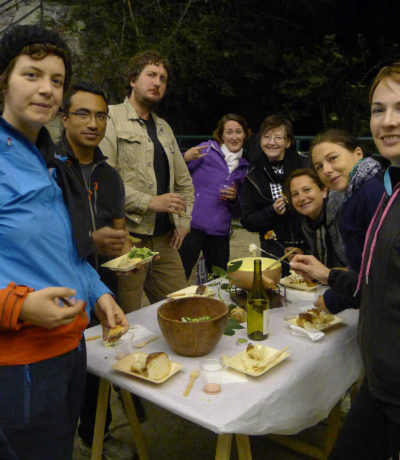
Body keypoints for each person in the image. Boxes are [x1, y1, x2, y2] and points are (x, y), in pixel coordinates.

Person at [0, 25, 128, 460]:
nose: (47, 90)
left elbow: (64, 252)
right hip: (20, 363)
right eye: (32, 75)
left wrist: (100, 292)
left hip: (72, 349)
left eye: (56, 80)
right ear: (4, 79)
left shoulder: (49, 159)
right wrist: (17, 307)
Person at [290, 62, 400, 459]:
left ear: (356, 153)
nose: (388, 121)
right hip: (381, 378)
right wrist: (329, 279)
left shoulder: (370, 193)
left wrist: (333, 288)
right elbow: (376, 280)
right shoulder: (386, 186)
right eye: (378, 109)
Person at [57, 81, 138, 454]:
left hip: (103, 284)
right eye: (84, 113)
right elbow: (43, 240)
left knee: (100, 364)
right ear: (64, 118)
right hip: (58, 289)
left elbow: (118, 235)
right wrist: (92, 239)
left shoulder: (110, 176)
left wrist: (128, 253)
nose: (94, 122)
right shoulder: (50, 169)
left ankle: (95, 438)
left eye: (101, 115)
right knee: (64, 374)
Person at [100, 50, 194, 311]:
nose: (157, 82)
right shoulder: (109, 117)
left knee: (184, 309)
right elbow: (105, 181)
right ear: (132, 80)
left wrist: (184, 222)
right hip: (128, 239)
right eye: (151, 75)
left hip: (165, 240)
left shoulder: (164, 127)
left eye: (163, 78)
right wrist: (149, 201)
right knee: (127, 318)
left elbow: (185, 182)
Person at [179, 113, 249, 279]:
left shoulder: (244, 167)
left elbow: (240, 209)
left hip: (220, 232)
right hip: (192, 226)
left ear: (245, 134)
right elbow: (177, 174)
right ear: (221, 135)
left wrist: (233, 198)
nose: (234, 137)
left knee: (219, 281)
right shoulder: (206, 150)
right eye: (229, 132)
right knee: (179, 277)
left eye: (238, 132)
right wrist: (184, 158)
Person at [240, 114, 308, 274]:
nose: (272, 142)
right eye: (267, 137)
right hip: (273, 250)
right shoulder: (252, 175)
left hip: (308, 246)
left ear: (288, 142)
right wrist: (272, 211)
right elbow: (247, 221)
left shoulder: (304, 167)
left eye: (278, 137)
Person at [285, 168, 346, 268]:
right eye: (295, 194)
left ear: (323, 191)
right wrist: (303, 256)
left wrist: (328, 274)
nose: (301, 198)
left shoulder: (342, 215)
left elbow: (362, 269)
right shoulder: (308, 223)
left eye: (307, 190)